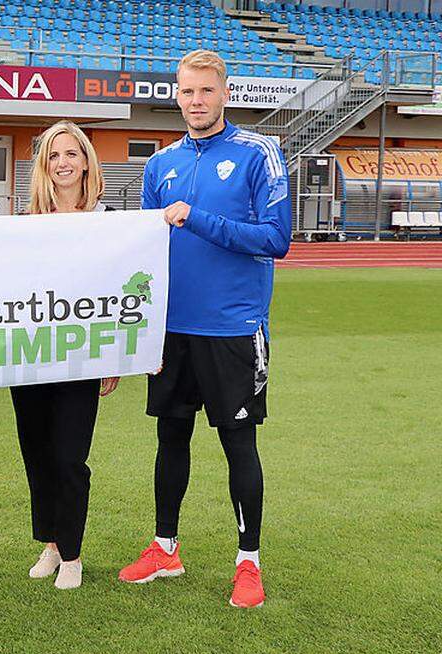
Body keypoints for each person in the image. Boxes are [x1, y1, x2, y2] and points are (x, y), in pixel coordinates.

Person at [117, 50, 291, 609]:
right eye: (187, 92)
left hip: (233, 328)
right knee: (171, 437)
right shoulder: (159, 162)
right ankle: (165, 547)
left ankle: (248, 563)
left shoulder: (257, 153)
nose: (196, 101)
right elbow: (145, 251)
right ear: (177, 96)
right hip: (172, 330)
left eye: (206, 92)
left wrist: (199, 217)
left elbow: (275, 239)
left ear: (224, 94)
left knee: (238, 442)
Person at [12, 121, 120, 591]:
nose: (64, 163)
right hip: (31, 358)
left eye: (73, 153)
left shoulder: (110, 218)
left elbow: (120, 291)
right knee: (37, 454)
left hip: (82, 355)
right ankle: (51, 545)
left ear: (87, 161)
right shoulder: (23, 221)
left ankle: (73, 553)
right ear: (44, 165)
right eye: (55, 155)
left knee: (70, 456)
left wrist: (115, 357)